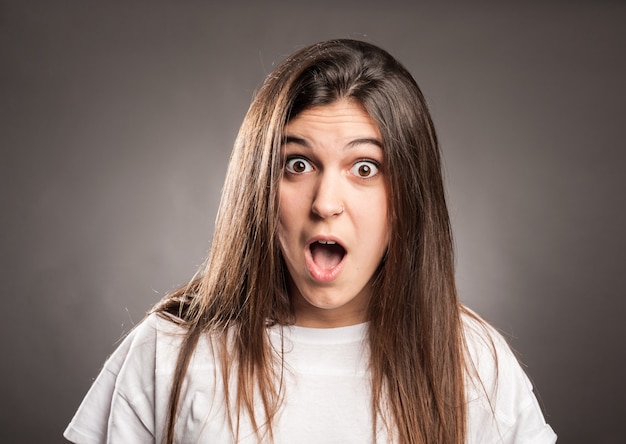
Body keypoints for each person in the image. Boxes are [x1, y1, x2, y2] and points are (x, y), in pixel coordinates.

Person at [64, 39, 556, 443]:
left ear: (408, 196)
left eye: (365, 168)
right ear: (258, 184)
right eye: (298, 164)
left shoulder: (472, 361)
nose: (325, 203)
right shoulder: (170, 349)